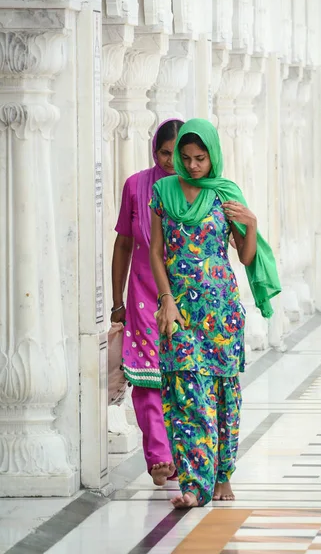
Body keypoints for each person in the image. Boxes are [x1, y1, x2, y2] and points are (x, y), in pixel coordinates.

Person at [149, 118, 281, 508]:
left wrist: (251, 224)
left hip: (220, 311)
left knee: (222, 393)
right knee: (185, 390)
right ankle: (192, 484)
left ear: (213, 157)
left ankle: (222, 473)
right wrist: (166, 299)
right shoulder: (162, 192)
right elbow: (157, 252)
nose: (191, 166)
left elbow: (244, 255)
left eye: (199, 158)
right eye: (185, 158)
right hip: (179, 310)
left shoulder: (226, 195)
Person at [111, 118, 184, 486]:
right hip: (143, 297)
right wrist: (116, 302)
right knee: (149, 379)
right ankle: (159, 456)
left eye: (178, 153)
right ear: (154, 151)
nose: (171, 161)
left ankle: (183, 453)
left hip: (187, 297)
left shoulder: (196, 189)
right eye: (164, 152)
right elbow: (124, 243)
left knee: (183, 378)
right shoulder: (137, 186)